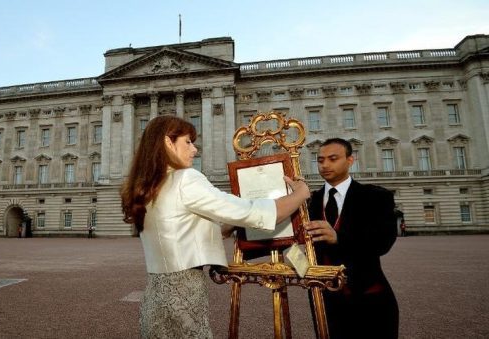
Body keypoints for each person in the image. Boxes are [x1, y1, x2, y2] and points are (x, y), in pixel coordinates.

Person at [121, 115, 310, 339]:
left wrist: (228, 226)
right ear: (167, 143)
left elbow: (179, 232)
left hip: (155, 293)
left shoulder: (150, 185)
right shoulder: (186, 178)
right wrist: (300, 194)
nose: (195, 150)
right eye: (188, 142)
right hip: (183, 290)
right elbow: (253, 212)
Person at [305, 138, 399, 338]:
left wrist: (338, 238)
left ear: (350, 160)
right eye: (320, 160)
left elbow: (383, 242)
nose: (325, 165)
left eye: (333, 159)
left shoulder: (375, 197)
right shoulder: (309, 202)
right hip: (324, 299)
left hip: (368, 296)